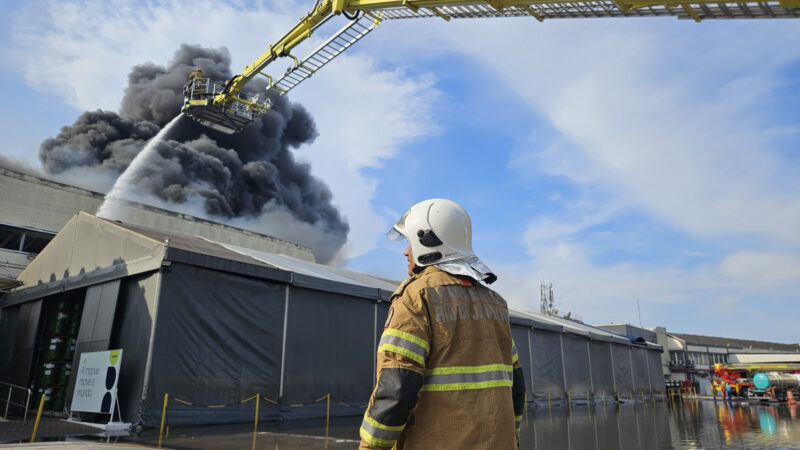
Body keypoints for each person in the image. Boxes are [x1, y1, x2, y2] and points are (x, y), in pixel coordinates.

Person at [359, 198, 525, 450]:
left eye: (410, 243)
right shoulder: (495, 304)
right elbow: (516, 385)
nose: (405, 252)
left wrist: (371, 447)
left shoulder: (417, 297)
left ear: (428, 241)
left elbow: (397, 387)